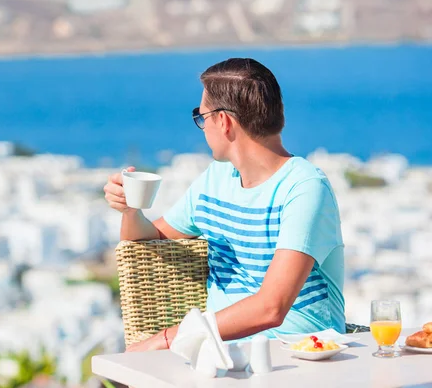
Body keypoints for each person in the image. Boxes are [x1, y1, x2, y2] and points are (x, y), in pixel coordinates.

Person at [103, 58, 345, 352]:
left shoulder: (304, 187)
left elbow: (272, 308)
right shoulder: (216, 179)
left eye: (201, 117)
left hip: (300, 355)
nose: (202, 127)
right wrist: (130, 210)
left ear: (224, 122)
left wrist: (168, 338)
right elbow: (147, 239)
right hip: (220, 353)